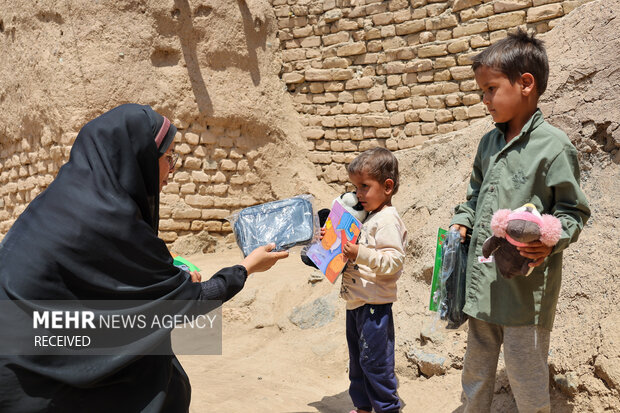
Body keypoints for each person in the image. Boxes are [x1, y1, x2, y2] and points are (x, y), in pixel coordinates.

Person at [0, 103, 288, 412]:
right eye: (167, 158)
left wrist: (163, 280)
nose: (172, 168)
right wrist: (246, 268)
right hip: (41, 385)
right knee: (151, 368)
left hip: (24, 356)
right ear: (137, 159)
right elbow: (183, 304)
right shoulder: (110, 221)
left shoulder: (60, 201)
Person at [449, 30, 590, 413]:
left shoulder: (554, 146)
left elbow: (573, 212)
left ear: (525, 83)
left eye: (490, 89)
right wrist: (462, 222)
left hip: (524, 295)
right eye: (481, 92)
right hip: (482, 289)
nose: (484, 100)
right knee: (475, 378)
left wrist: (550, 239)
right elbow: (474, 197)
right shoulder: (487, 144)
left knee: (527, 383)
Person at [338, 147, 407, 413]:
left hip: (375, 306)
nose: (358, 194)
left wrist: (359, 252)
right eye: (355, 187)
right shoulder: (367, 218)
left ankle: (387, 408)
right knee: (358, 362)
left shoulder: (388, 220)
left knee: (375, 363)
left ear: (387, 186)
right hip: (356, 303)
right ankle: (364, 407)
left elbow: (393, 262)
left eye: (364, 186)